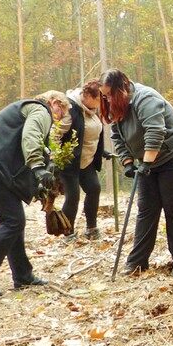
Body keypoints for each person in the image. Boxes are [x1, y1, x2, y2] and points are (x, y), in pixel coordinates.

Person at [0, 91, 71, 297]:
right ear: (54, 103)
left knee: (13, 219)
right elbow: (31, 136)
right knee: (13, 220)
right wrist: (38, 167)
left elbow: (17, 153)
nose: (60, 118)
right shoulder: (40, 110)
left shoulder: (22, 111)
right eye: (62, 112)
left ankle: (23, 276)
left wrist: (39, 188)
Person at [99, 69, 173, 277]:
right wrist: (128, 162)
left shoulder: (146, 98)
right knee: (146, 209)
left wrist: (146, 162)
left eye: (109, 94)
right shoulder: (116, 105)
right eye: (104, 95)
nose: (106, 99)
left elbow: (156, 131)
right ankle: (137, 262)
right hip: (150, 162)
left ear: (122, 88)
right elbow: (116, 136)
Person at [59, 79, 107, 242]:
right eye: (99, 99)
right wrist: (53, 157)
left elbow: (95, 134)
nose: (102, 103)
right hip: (70, 161)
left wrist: (101, 151)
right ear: (88, 96)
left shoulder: (93, 110)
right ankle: (68, 233)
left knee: (94, 188)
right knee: (73, 196)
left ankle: (91, 229)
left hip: (87, 160)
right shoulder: (71, 109)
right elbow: (56, 133)